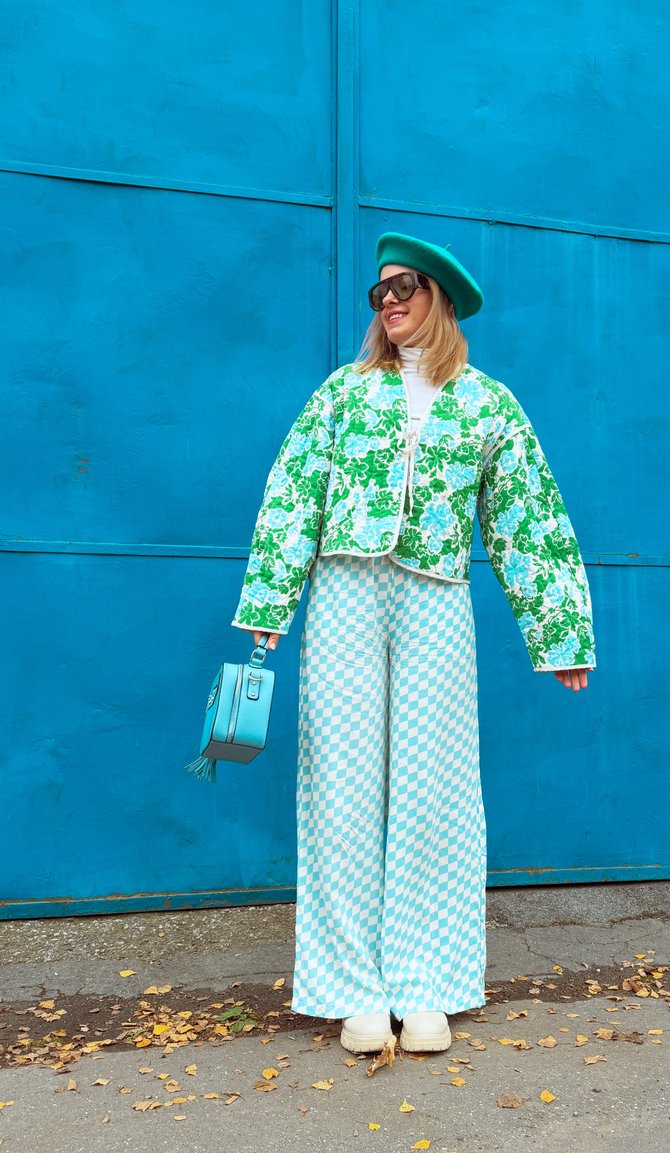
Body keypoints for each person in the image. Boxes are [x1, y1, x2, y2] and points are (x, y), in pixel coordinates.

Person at [232, 232, 595, 1055]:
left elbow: (527, 519)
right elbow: (292, 494)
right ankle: (351, 985)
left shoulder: (489, 404)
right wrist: (270, 600)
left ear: (443, 299)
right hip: (343, 593)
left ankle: (426, 982)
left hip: (435, 597)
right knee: (341, 782)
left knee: (437, 787)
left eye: (404, 286)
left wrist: (560, 633)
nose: (388, 300)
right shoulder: (344, 394)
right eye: (378, 292)